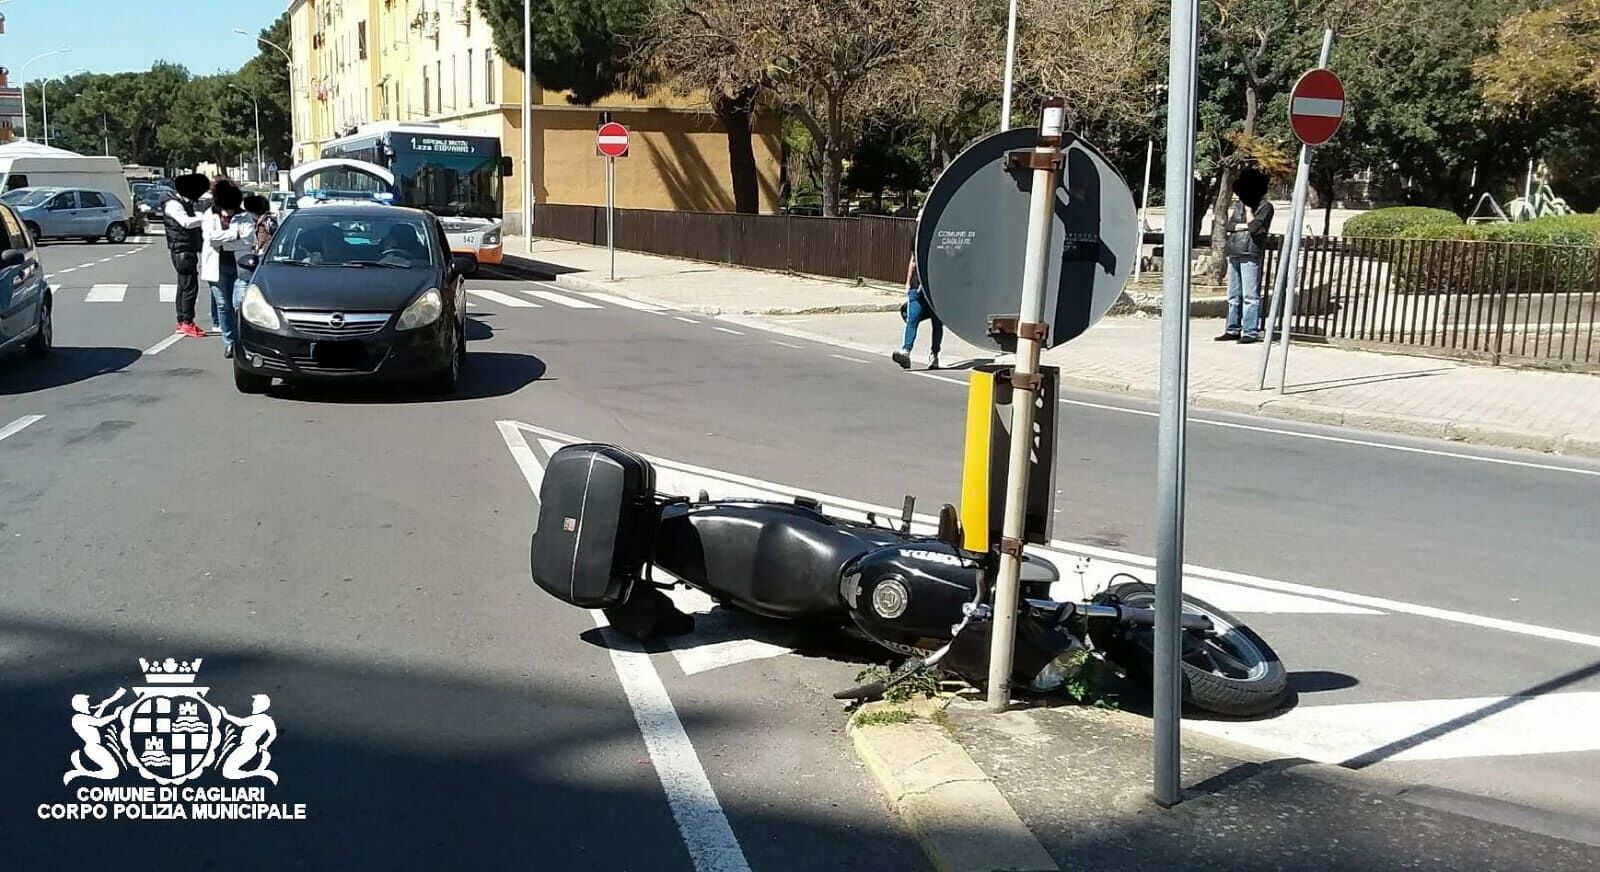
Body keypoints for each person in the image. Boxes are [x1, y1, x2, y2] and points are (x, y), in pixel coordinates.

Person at [1218, 168, 1274, 345]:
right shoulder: (1239, 204)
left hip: (1251, 252)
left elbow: (1255, 228)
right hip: (1234, 250)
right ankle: (1232, 329)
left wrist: (1249, 213)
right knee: (1233, 295)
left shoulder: (1265, 206)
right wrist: (1244, 224)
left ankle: (1250, 331)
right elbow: (1229, 225)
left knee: (1250, 295)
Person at [202, 179, 248, 358]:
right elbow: (210, 238)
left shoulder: (243, 216)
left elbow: (248, 239)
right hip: (216, 267)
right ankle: (229, 343)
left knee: (239, 304)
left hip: (240, 268)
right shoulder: (209, 215)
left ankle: (241, 340)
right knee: (223, 306)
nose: (229, 211)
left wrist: (225, 241)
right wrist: (234, 235)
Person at [162, 174, 211, 337]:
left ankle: (183, 321)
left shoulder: (182, 202)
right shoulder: (173, 204)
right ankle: (187, 322)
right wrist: (206, 218)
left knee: (184, 286)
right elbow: (185, 222)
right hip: (182, 250)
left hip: (185, 248)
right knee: (189, 287)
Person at [892, 247, 942, 370]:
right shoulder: (917, 235)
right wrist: (908, 282)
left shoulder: (941, 236)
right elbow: (913, 259)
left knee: (937, 324)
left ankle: (934, 355)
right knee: (912, 319)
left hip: (936, 290)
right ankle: (906, 352)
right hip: (917, 289)